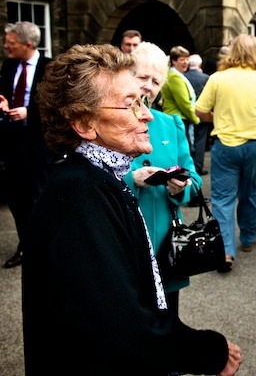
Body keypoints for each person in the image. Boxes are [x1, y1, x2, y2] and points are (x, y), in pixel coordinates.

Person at [22, 43, 242, 375]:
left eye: (142, 99)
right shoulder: (82, 194)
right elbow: (123, 328)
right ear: (84, 125)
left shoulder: (96, 178)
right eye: (130, 104)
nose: (146, 113)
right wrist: (210, 352)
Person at [124, 41, 203, 314]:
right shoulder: (113, 123)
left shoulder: (171, 124)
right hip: (126, 239)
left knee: (168, 320)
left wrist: (180, 187)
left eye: (155, 80)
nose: (148, 86)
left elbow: (193, 177)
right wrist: (132, 180)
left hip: (167, 244)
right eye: (142, 77)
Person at [195, 34, 256, 271]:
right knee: (250, 192)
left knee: (222, 198)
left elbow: (200, 111)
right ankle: (249, 238)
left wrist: (218, 117)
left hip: (226, 144)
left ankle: (225, 251)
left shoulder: (218, 79)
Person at [0, 21, 55, 269]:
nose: (5, 47)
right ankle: (26, 245)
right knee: (17, 200)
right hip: (13, 146)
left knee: (44, 198)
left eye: (10, 43)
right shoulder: (9, 65)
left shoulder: (50, 68)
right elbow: (3, 93)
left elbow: (55, 106)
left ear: (28, 44)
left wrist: (28, 113)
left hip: (40, 147)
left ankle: (52, 245)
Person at [161, 46, 200, 151]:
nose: (185, 62)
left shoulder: (176, 75)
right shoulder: (174, 77)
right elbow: (184, 104)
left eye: (187, 59)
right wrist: (197, 120)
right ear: (174, 61)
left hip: (176, 119)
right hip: (178, 120)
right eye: (182, 59)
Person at [184, 53, 210, 176]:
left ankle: (188, 167)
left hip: (186, 113)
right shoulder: (205, 77)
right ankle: (198, 167)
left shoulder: (183, 77)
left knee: (187, 141)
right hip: (202, 113)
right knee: (200, 141)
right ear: (199, 64)